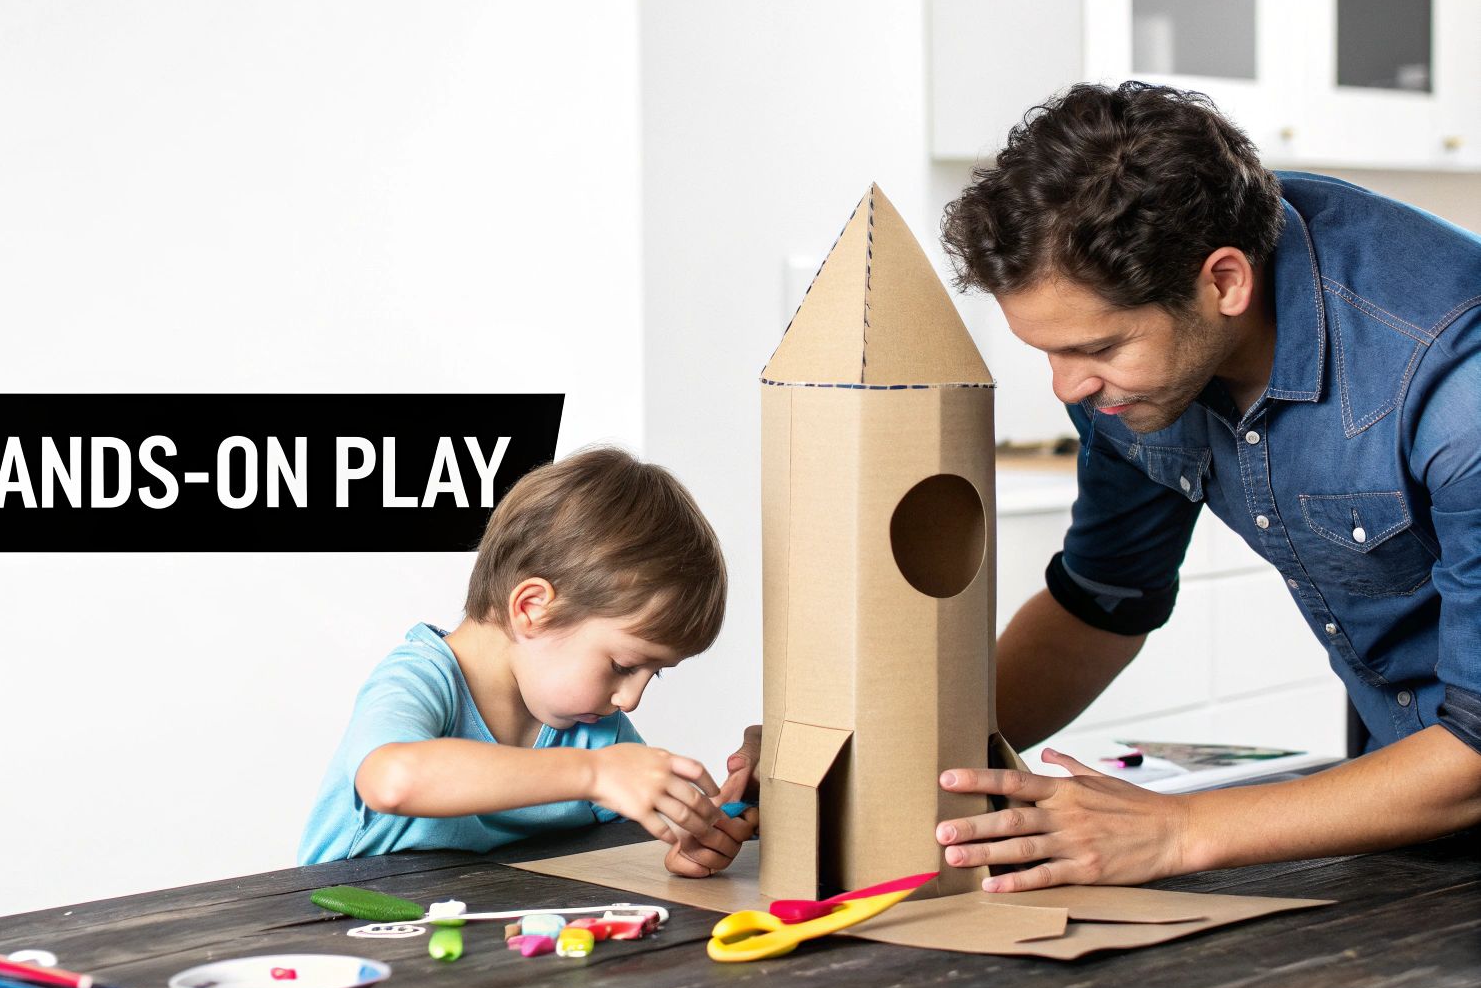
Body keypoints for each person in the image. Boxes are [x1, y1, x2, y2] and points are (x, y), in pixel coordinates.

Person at [721, 82, 1481, 891]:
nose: (1068, 389)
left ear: (1224, 282)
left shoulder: (1454, 380)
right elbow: (1103, 604)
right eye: (1047, 352)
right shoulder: (1135, 382)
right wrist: (879, 755)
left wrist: (1177, 832)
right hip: (1412, 790)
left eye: (1098, 349)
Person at [299, 445, 757, 877]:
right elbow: (393, 780)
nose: (630, 699)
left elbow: (648, 818)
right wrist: (593, 774)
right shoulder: (421, 678)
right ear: (533, 608)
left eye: (651, 675)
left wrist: (698, 834)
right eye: (622, 665)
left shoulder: (596, 727)